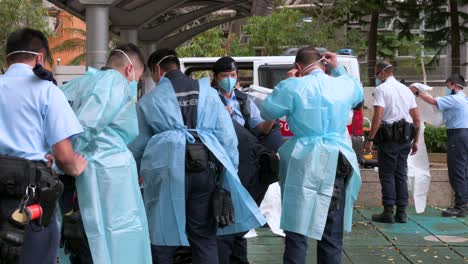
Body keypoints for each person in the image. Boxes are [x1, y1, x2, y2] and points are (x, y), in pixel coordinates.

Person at [129, 49, 265, 264]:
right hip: (205, 169)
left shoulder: (150, 99)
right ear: (179, 66)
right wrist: (229, 176)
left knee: (162, 235)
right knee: (203, 235)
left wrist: (135, 173)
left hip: (166, 171)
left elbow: (138, 144)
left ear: (157, 70)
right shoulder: (209, 94)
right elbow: (228, 139)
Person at [260, 47, 363, 264]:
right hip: (337, 157)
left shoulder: (293, 86)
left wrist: (288, 83)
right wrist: (339, 69)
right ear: (323, 63)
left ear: (298, 67)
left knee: (297, 229)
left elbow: (267, 111)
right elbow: (358, 94)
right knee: (331, 232)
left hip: (303, 160)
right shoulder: (341, 83)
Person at [0, 28, 87, 264]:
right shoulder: (47, 91)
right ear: (40, 58)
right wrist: (75, 166)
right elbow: (63, 156)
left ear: (7, 58)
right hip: (29, 203)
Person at [59, 44, 152, 263]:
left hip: (80, 169)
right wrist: (68, 158)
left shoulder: (79, 83)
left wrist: (61, 160)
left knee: (84, 238)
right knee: (111, 239)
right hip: (105, 172)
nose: (134, 84)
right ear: (129, 70)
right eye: (137, 79)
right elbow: (88, 124)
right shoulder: (114, 81)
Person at [212, 57, 282, 264]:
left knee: (240, 214)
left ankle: (238, 256)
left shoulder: (244, 100)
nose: (229, 80)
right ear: (215, 78)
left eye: (232, 76)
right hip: (219, 163)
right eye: (225, 76)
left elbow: (260, 128)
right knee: (223, 211)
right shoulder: (209, 100)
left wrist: (272, 115)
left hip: (244, 163)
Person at [364, 61, 421, 224]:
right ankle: (402, 212)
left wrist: (370, 139)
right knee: (401, 174)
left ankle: (388, 211)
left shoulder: (382, 89)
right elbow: (416, 118)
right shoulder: (406, 90)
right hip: (405, 138)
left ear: (382, 72)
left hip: (389, 138)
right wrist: (416, 141)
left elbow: (378, 116)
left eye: (376, 73)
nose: (376, 77)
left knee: (387, 174)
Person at [409, 74, 468, 217]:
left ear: (454, 85)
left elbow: (433, 101)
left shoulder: (454, 99)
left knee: (457, 170)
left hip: (457, 135)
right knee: (465, 169)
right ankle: (464, 203)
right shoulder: (464, 99)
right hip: (464, 134)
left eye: (448, 86)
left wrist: (417, 92)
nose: (447, 89)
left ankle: (460, 206)